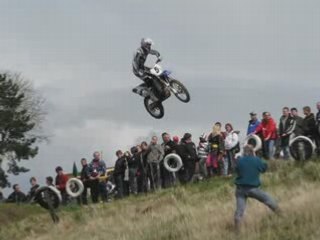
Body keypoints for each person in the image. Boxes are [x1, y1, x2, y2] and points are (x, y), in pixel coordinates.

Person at [234, 145, 280, 232]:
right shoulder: (256, 160)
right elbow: (264, 168)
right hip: (253, 188)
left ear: (244, 152)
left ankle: (237, 230)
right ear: (253, 151)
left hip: (240, 189)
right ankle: (280, 214)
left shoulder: (239, 161)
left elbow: (237, 170)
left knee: (239, 210)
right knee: (268, 199)